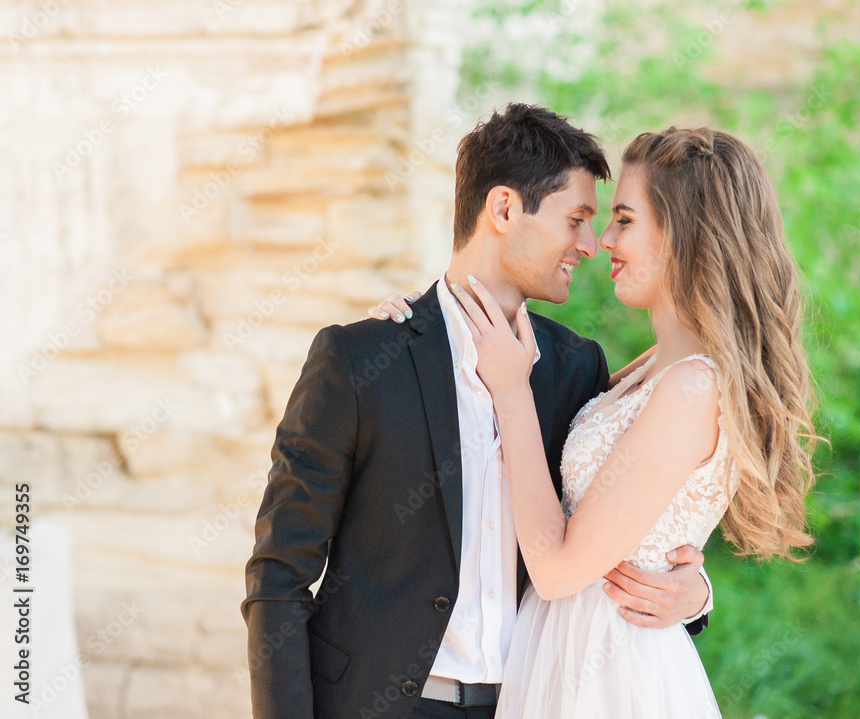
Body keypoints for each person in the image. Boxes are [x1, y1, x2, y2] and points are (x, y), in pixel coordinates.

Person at [241, 104, 714, 719]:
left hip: (531, 703)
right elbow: (278, 576)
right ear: (504, 210)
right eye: (576, 219)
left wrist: (696, 595)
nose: (590, 245)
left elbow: (610, 529)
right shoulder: (361, 359)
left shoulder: (577, 369)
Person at [382, 126, 818, 717]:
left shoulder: (692, 386)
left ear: (686, 234)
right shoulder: (645, 371)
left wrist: (511, 391)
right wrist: (417, 329)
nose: (603, 240)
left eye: (625, 220)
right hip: (558, 655)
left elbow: (560, 571)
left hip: (612, 671)